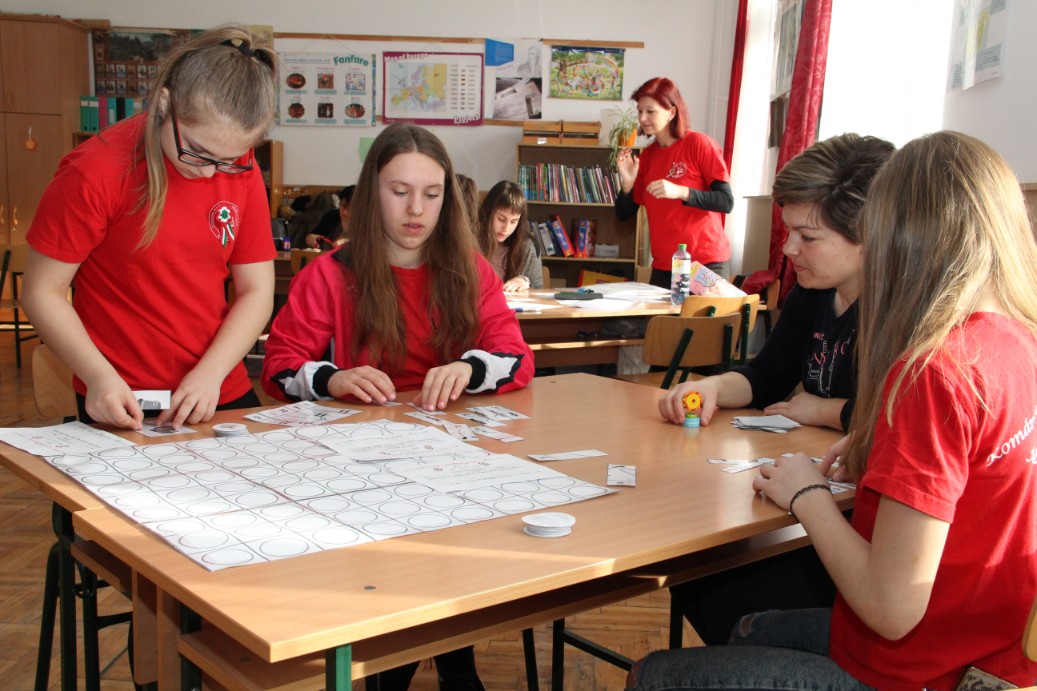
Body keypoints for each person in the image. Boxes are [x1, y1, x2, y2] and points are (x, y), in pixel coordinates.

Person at [628, 131, 1037, 690]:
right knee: (745, 627)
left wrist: (807, 493)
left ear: (894, 235)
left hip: (918, 671)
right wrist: (878, 441)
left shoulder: (934, 372)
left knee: (654, 675)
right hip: (988, 645)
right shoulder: (1017, 338)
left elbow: (891, 609)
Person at [656, 133, 895, 647]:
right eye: (789, 232)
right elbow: (765, 376)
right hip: (826, 504)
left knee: (717, 586)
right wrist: (714, 385)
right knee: (695, 574)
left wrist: (828, 410)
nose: (788, 250)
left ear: (871, 234)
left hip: (871, 539)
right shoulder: (814, 290)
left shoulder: (901, 311)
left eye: (807, 237)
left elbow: (899, 419)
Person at [22, 25, 279, 431]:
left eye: (229, 159)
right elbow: (42, 291)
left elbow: (257, 290)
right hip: (120, 392)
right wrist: (98, 377)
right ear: (164, 103)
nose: (209, 172)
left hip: (214, 383)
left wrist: (211, 373)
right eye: (198, 151)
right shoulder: (95, 171)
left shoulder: (238, 167)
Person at [615, 77, 733, 289]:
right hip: (664, 266)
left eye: (650, 111)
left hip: (705, 262)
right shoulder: (647, 157)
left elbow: (726, 201)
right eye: (639, 111)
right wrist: (628, 183)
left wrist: (681, 191)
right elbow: (624, 214)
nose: (642, 118)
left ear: (671, 112)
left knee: (702, 314)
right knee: (657, 314)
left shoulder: (699, 144)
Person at [476, 180, 543, 292]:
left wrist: (524, 282)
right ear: (488, 213)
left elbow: (539, 291)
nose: (506, 228)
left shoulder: (527, 246)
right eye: (501, 219)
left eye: (513, 221)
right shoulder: (472, 239)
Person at [304, 184, 355, 248]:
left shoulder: (365, 220)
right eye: (343, 206)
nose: (344, 212)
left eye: (349, 208)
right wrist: (310, 238)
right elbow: (315, 234)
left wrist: (347, 242)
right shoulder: (332, 215)